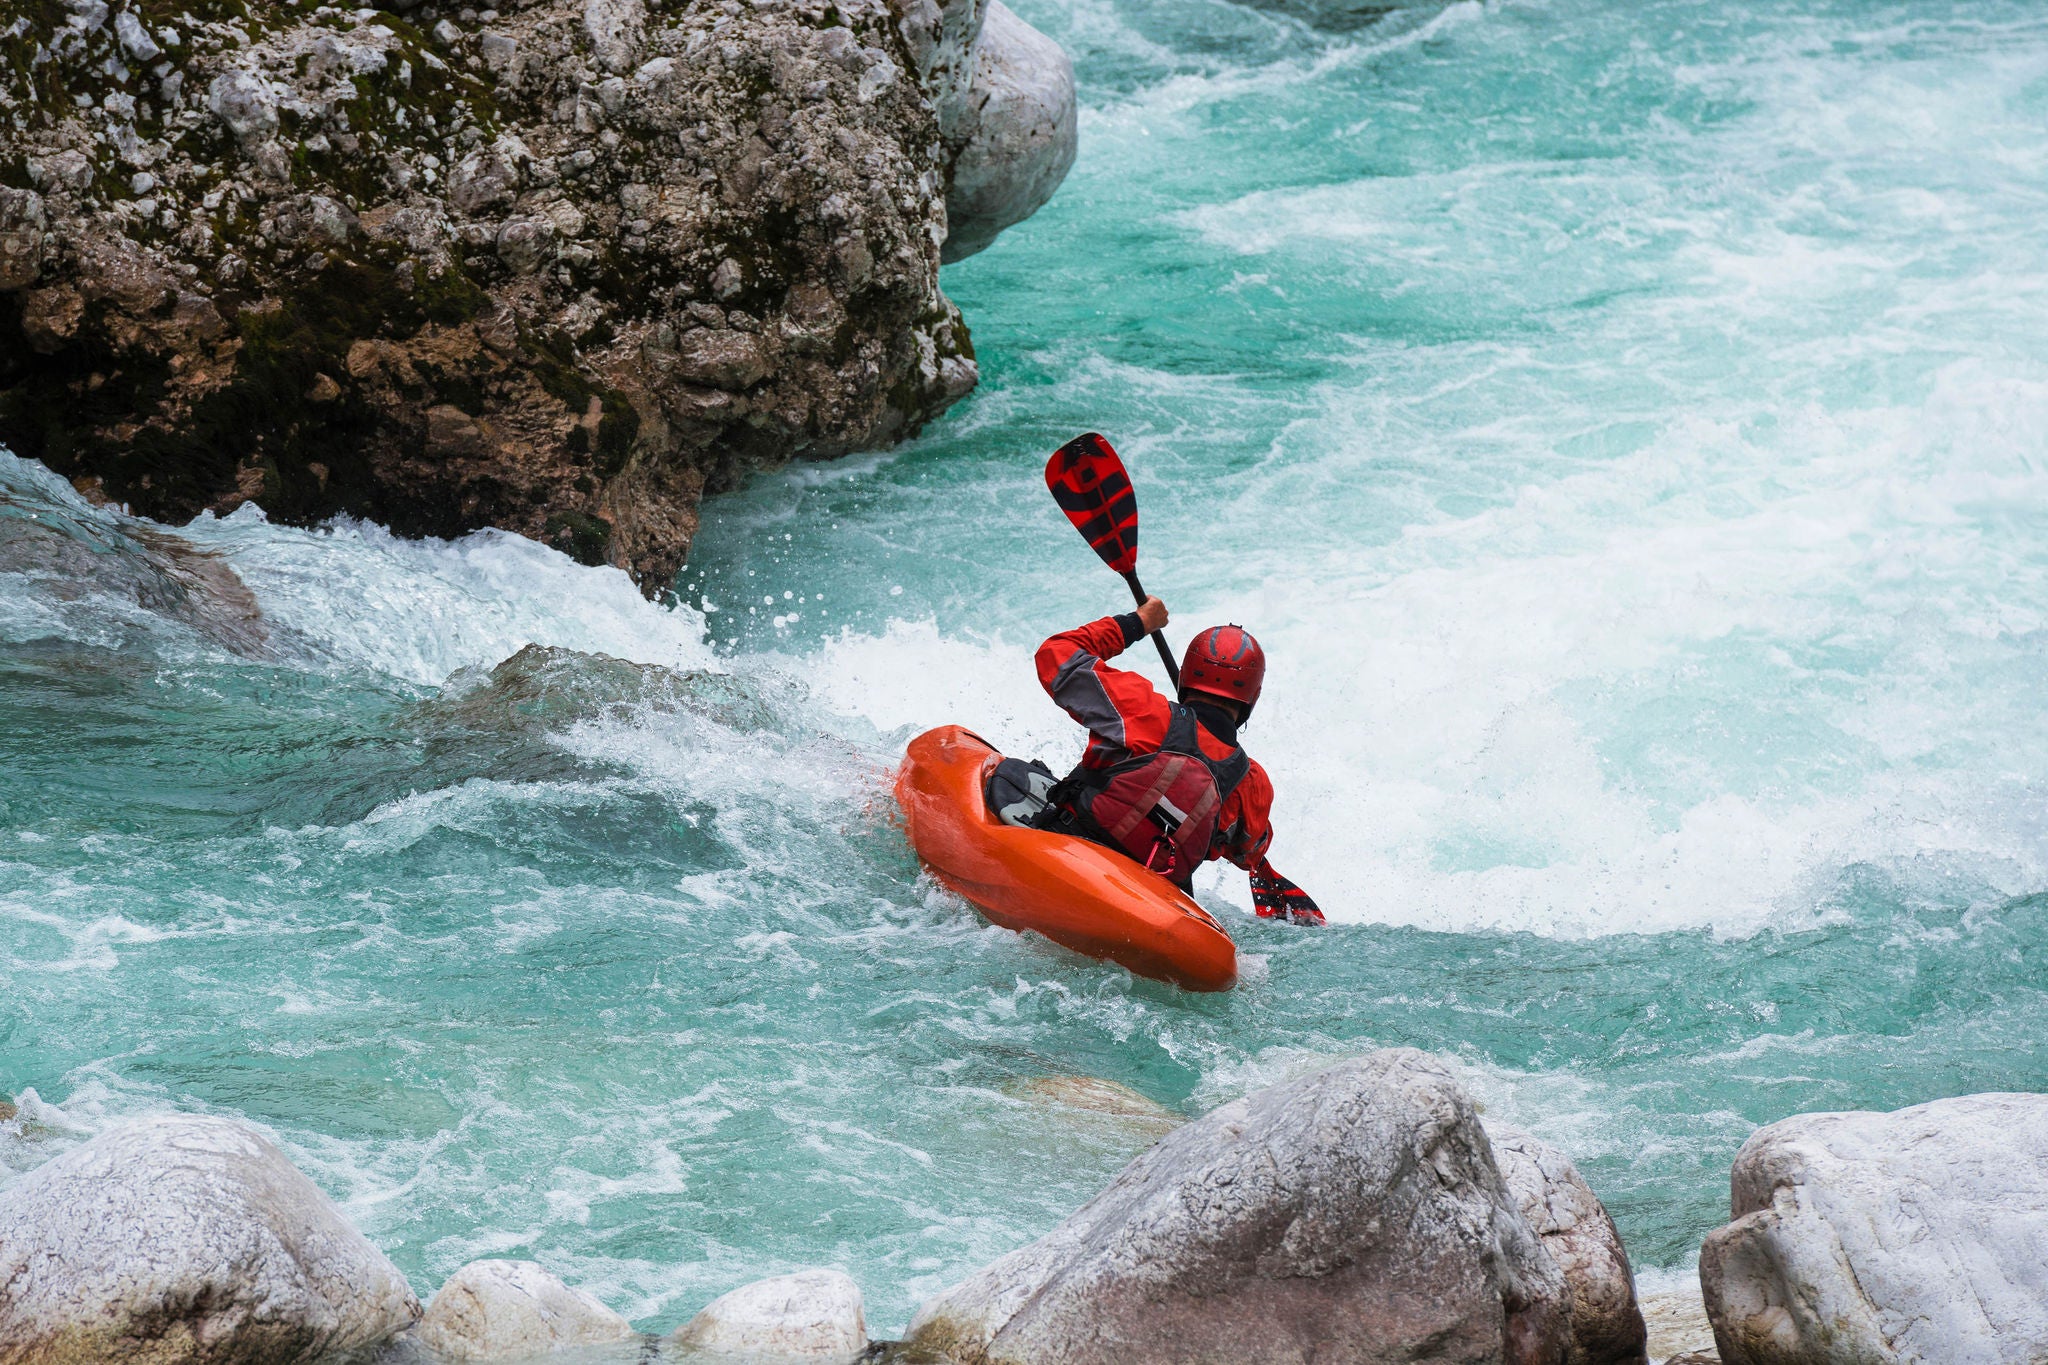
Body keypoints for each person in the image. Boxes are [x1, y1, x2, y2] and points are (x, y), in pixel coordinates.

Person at [993, 595, 1324, 926]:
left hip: (1071, 852)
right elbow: (1248, 852)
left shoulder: (1143, 709)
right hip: (1151, 899)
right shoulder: (1250, 782)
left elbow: (1057, 657)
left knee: (1010, 772)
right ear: (1252, 697)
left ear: (1187, 676)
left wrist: (1138, 622)